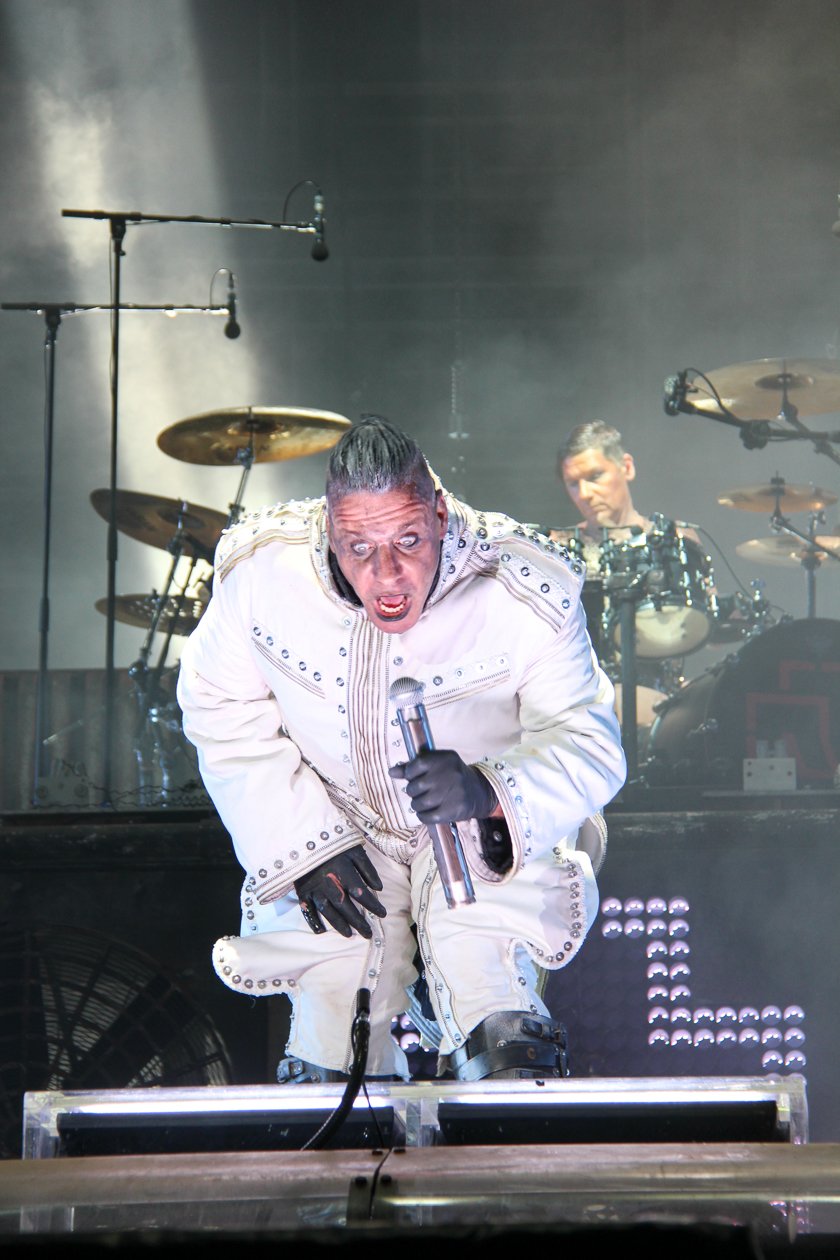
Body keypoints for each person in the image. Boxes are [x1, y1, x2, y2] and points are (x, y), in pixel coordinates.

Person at [176, 415, 626, 1085]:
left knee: (499, 1023)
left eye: (409, 540)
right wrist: (302, 841)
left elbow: (591, 741)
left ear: (440, 514)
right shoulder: (260, 577)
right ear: (330, 528)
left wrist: (488, 790)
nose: (386, 574)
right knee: (334, 1050)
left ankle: (504, 1148)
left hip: (475, 830)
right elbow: (218, 705)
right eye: (358, 547)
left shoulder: (526, 589)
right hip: (339, 824)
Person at [548, 421, 714, 732]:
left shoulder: (675, 539)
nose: (585, 493)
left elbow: (705, 620)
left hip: (663, 698)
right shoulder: (560, 547)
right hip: (575, 698)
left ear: (626, 467)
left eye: (595, 476)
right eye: (573, 483)